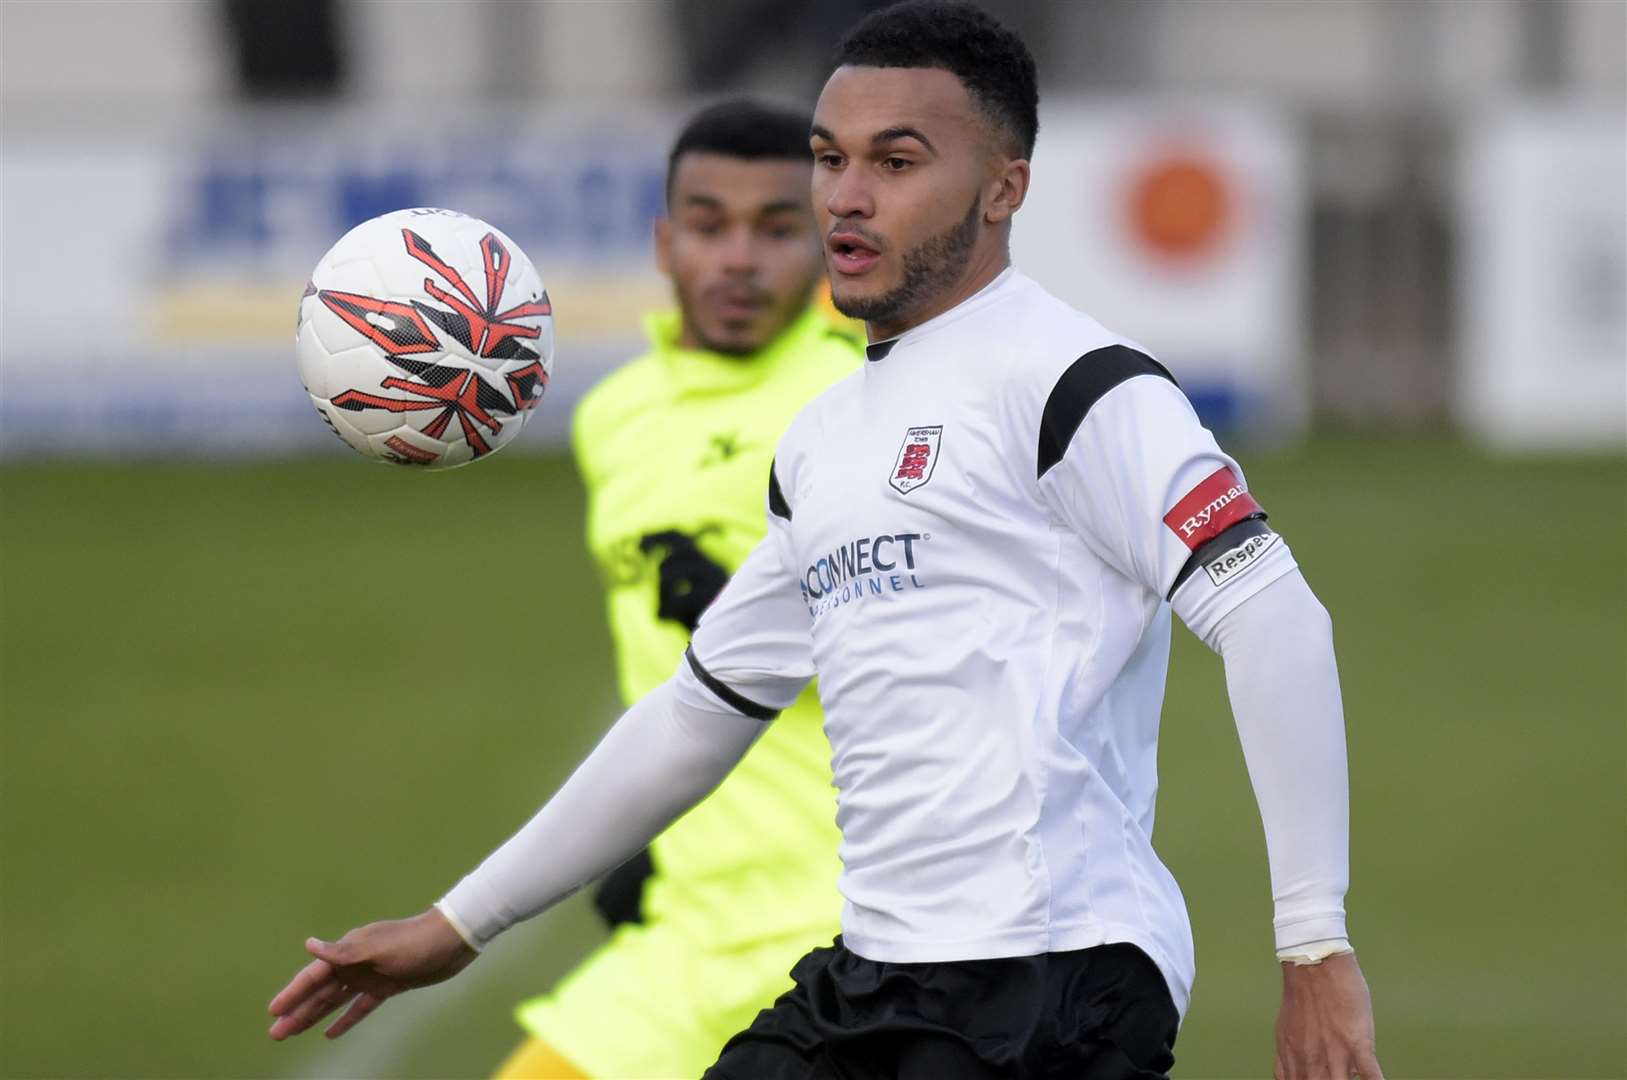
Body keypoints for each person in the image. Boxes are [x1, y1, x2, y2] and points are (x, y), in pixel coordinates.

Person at [267, 4, 1385, 1078]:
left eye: (895, 164)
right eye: (829, 158)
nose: (845, 198)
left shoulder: (1077, 387)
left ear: (1004, 187)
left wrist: (1313, 946)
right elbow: (701, 712)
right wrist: (459, 925)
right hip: (877, 977)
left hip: (1049, 977)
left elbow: (1270, 615)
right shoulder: (822, 444)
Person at [490, 100, 859, 1079]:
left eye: (777, 230)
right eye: (708, 225)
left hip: (844, 936)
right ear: (664, 241)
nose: (739, 258)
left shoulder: (856, 406)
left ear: (826, 246)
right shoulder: (614, 419)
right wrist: (646, 843)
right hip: (681, 936)